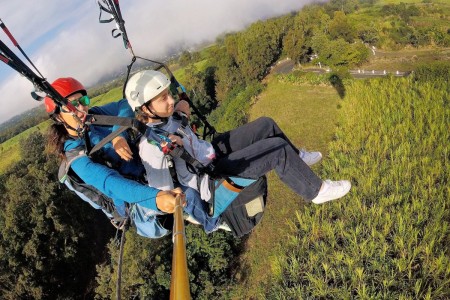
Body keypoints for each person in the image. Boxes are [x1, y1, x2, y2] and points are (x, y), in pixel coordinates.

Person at [125, 70, 351, 210]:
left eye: (169, 94)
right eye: (164, 98)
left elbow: (179, 124)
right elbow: (161, 193)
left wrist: (182, 114)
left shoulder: (167, 117)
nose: (171, 100)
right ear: (145, 108)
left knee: (266, 124)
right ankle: (317, 191)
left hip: (210, 151)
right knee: (276, 150)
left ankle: (298, 159)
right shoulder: (152, 147)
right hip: (212, 176)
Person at [45, 77, 183, 238]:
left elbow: (125, 105)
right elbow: (111, 184)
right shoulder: (76, 157)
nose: (82, 107)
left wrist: (118, 134)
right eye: (73, 105)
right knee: (173, 208)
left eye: (83, 100)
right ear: (58, 117)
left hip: (148, 173)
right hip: (135, 204)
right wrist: (156, 198)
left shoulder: (95, 116)